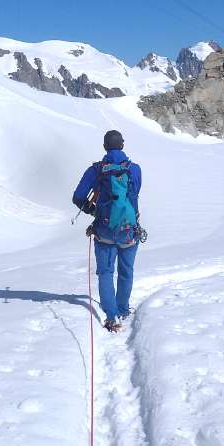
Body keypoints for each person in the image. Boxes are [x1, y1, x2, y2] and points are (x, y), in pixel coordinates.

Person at [72, 130, 142, 332]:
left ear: (105, 147)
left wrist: (94, 211)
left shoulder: (96, 170)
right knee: (126, 271)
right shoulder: (134, 169)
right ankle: (123, 309)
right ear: (122, 146)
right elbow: (135, 194)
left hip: (104, 229)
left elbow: (78, 197)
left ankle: (111, 316)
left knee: (105, 272)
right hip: (129, 230)